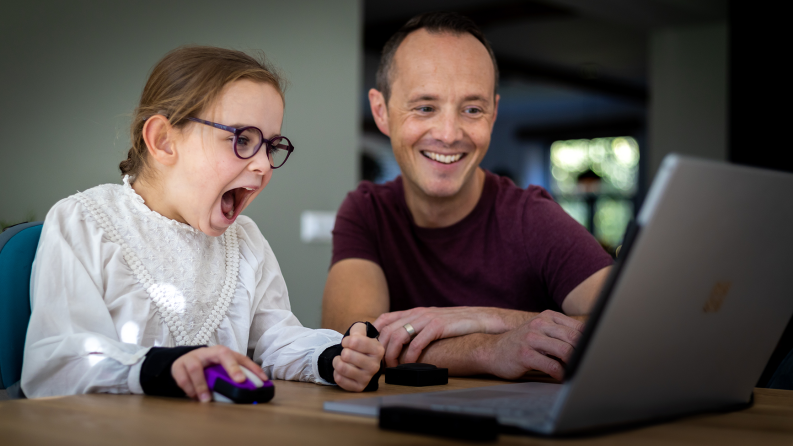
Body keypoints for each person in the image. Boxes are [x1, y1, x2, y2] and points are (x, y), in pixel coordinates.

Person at [22, 46, 384, 400]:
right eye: (242, 139)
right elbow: (59, 363)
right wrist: (163, 367)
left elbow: (277, 340)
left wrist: (332, 357)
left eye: (271, 147)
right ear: (163, 141)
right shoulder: (84, 222)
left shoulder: (246, 242)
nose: (264, 165)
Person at [321, 13, 613, 381]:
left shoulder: (531, 218)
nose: (448, 133)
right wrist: (489, 348)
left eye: (472, 109)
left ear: (492, 114)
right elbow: (353, 345)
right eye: (425, 107)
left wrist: (490, 317)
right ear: (381, 111)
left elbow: (635, 330)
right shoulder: (367, 210)